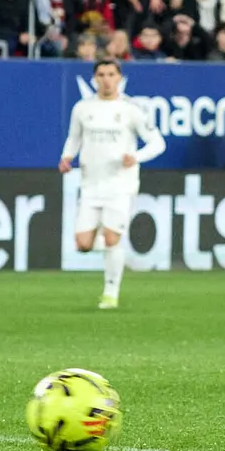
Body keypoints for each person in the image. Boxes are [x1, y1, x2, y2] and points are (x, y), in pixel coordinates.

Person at [58, 59, 165, 309]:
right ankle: (111, 247)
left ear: (119, 78)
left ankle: (111, 293)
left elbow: (157, 143)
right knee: (83, 244)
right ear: (95, 78)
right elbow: (74, 137)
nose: (106, 79)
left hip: (120, 184)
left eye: (111, 74)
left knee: (111, 239)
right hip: (90, 185)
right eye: (101, 74)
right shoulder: (83, 108)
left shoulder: (131, 109)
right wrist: (66, 157)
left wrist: (135, 157)